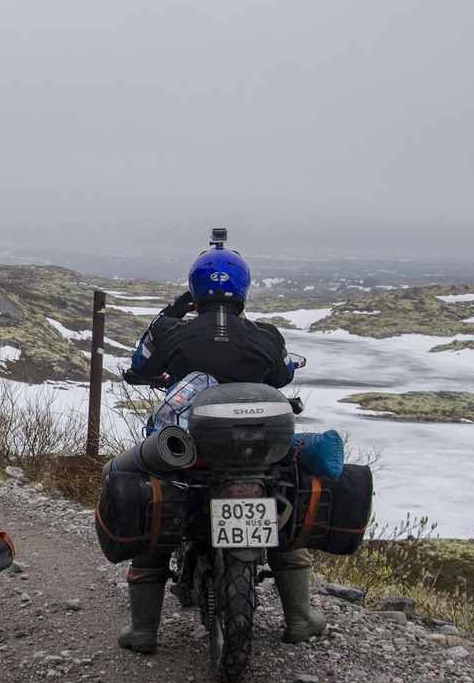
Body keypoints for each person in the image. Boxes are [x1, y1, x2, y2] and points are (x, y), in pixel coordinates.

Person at [117, 231, 325, 654]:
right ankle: (300, 618)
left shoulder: (174, 333)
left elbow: (138, 367)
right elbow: (284, 375)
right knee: (285, 509)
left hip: (192, 453)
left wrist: (170, 314)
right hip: (259, 451)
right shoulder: (265, 335)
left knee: (155, 511)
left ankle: (143, 630)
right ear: (244, 288)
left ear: (193, 289)